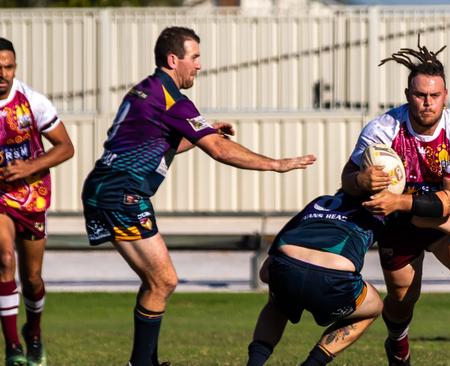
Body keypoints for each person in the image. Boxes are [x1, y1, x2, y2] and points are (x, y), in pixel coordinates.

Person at [80, 27, 316, 366]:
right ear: (173, 59)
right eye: (195, 57)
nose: (199, 66)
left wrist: (204, 132)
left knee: (155, 282)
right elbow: (219, 151)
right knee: (164, 280)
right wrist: (277, 164)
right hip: (123, 194)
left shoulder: (145, 91)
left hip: (107, 189)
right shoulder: (174, 99)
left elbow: (159, 141)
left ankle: (144, 361)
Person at [341, 37, 450, 366]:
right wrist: (361, 181)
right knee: (403, 299)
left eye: (435, 96)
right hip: (396, 225)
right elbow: (347, 181)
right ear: (408, 96)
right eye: (420, 95)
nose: (427, 103)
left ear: (445, 96)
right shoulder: (382, 129)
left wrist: (400, 201)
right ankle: (397, 344)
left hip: (443, 219)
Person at [246, 189, 450, 366]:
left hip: (285, 264)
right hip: (334, 276)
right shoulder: (386, 205)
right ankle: (313, 363)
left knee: (277, 303)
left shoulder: (320, 201)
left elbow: (265, 272)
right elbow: (440, 221)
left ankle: (255, 362)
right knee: (374, 307)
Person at [0, 38, 75, 366]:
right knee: (4, 258)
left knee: (32, 279)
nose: (2, 73)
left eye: (8, 66)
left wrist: (29, 166)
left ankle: (34, 333)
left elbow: (65, 147)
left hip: (31, 196)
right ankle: (13, 347)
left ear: (15, 67)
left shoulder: (32, 101)